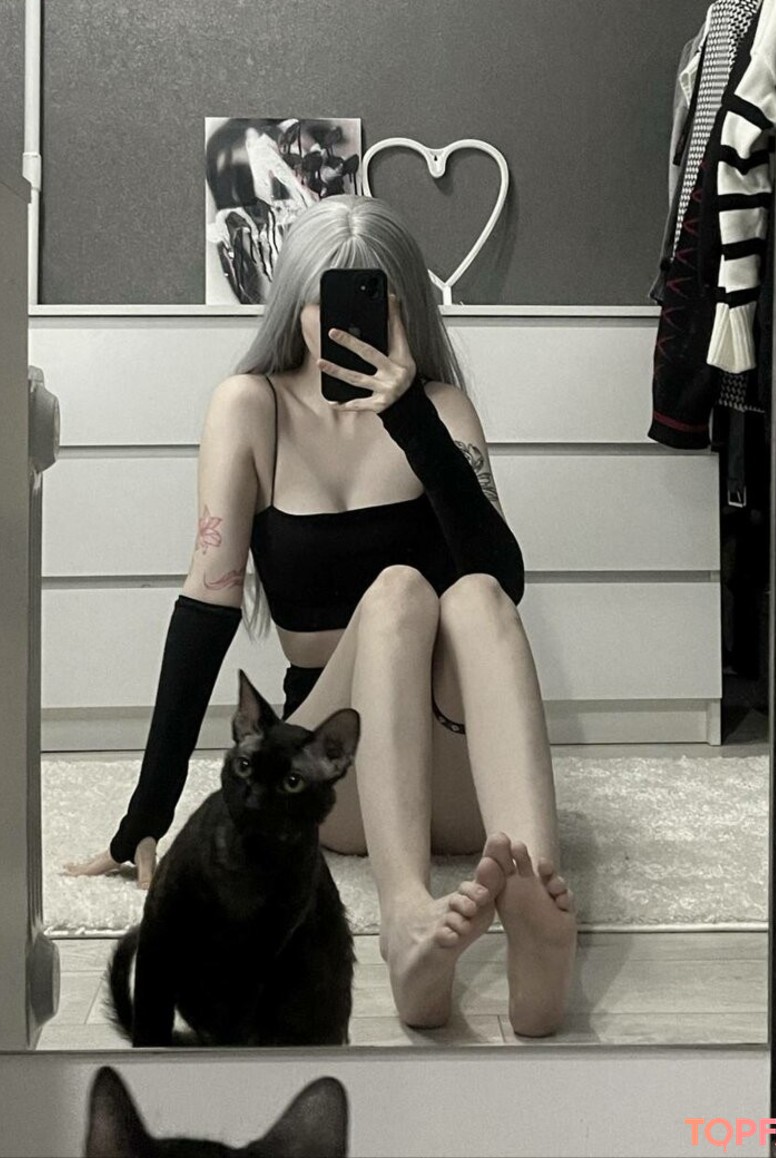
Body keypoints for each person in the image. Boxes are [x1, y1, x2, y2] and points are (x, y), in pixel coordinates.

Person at [66, 194, 576, 1036]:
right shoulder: (252, 407)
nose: (344, 322)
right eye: (323, 299)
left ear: (408, 310)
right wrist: (148, 812)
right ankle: (406, 919)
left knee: (476, 595)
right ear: (292, 304)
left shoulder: (440, 409)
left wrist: (409, 417)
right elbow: (207, 601)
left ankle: (536, 912)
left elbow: (505, 578)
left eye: (378, 301)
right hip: (334, 777)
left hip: (451, 767)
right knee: (400, 590)